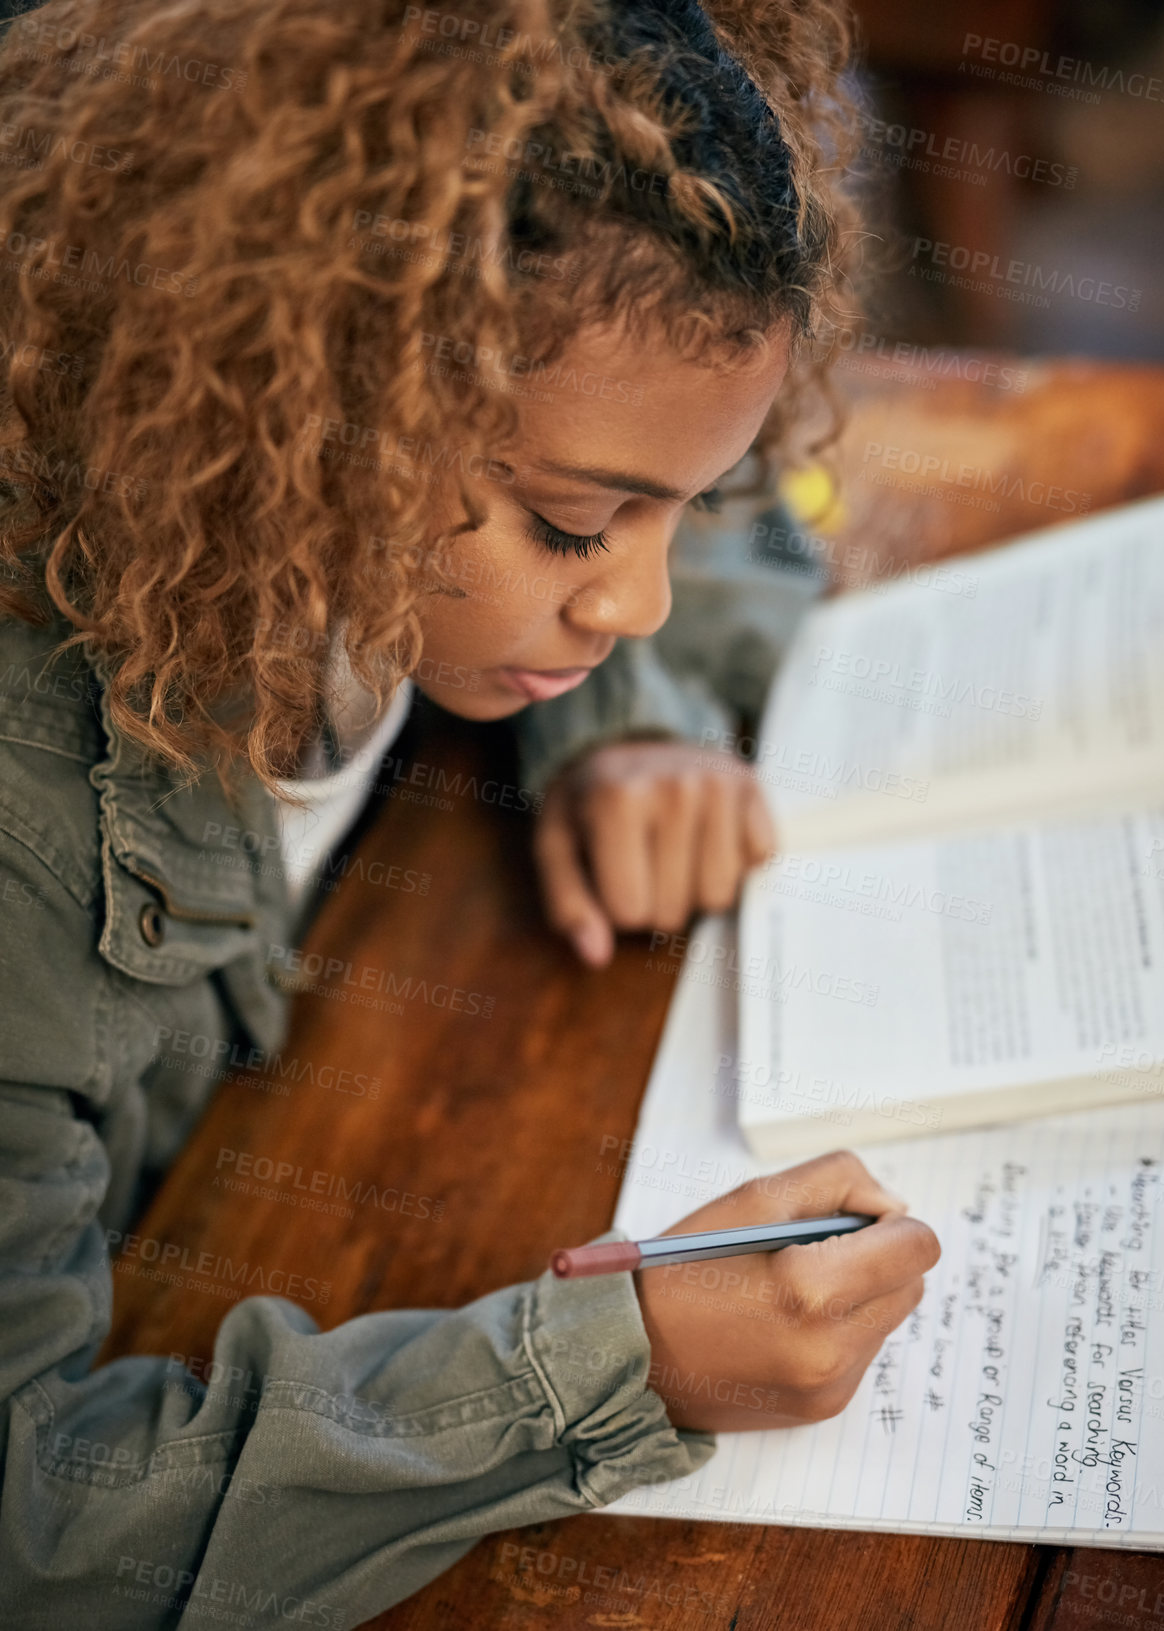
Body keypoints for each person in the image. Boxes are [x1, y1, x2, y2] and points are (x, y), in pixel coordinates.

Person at [0, 0, 940, 1623]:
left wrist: (620, 724)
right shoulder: (27, 855)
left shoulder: (456, 441)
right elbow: (35, 1533)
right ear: (284, 409)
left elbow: (678, 457)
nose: (639, 600)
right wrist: (608, 1364)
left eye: (681, 508)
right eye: (578, 530)